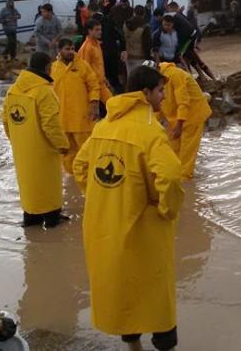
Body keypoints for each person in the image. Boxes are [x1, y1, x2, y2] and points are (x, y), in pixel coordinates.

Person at [74, 65, 184, 351]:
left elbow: (80, 166)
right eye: (160, 91)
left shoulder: (103, 126)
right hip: (143, 231)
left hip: (106, 227)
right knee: (156, 291)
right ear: (145, 93)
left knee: (123, 289)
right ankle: (164, 343)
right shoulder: (150, 132)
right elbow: (171, 177)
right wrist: (166, 209)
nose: (163, 97)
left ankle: (133, 346)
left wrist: (101, 197)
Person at [2, 52, 70, 228]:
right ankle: (52, 217)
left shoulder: (13, 90)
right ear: (48, 67)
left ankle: (31, 217)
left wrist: (16, 140)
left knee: (28, 182)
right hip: (43, 149)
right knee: (48, 183)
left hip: (22, 148)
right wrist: (62, 145)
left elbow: (5, 119)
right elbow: (50, 125)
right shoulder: (44, 92)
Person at [154, 59, 212, 182]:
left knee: (186, 154)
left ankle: (186, 184)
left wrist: (179, 126)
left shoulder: (175, 75)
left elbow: (183, 102)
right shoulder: (158, 81)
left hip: (193, 116)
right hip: (176, 118)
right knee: (171, 151)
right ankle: (175, 177)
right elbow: (159, 106)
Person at [52, 38, 101, 175]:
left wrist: (94, 103)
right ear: (59, 50)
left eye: (72, 48)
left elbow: (94, 85)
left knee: (88, 150)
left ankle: (91, 177)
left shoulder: (83, 65)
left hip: (82, 118)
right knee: (67, 153)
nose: (70, 52)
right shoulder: (53, 68)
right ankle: (73, 179)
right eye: (67, 49)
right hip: (62, 120)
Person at [77, 18, 113, 103]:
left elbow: (99, 65)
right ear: (89, 31)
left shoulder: (97, 44)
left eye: (100, 29)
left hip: (100, 83)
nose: (100, 32)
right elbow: (84, 69)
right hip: (93, 86)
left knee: (112, 105)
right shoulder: (87, 47)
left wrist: (104, 79)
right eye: (97, 30)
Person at [99, 0, 128, 94]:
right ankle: (117, 92)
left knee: (106, 74)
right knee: (114, 75)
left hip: (103, 52)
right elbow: (120, 36)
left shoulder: (100, 22)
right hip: (112, 52)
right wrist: (123, 48)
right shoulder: (112, 22)